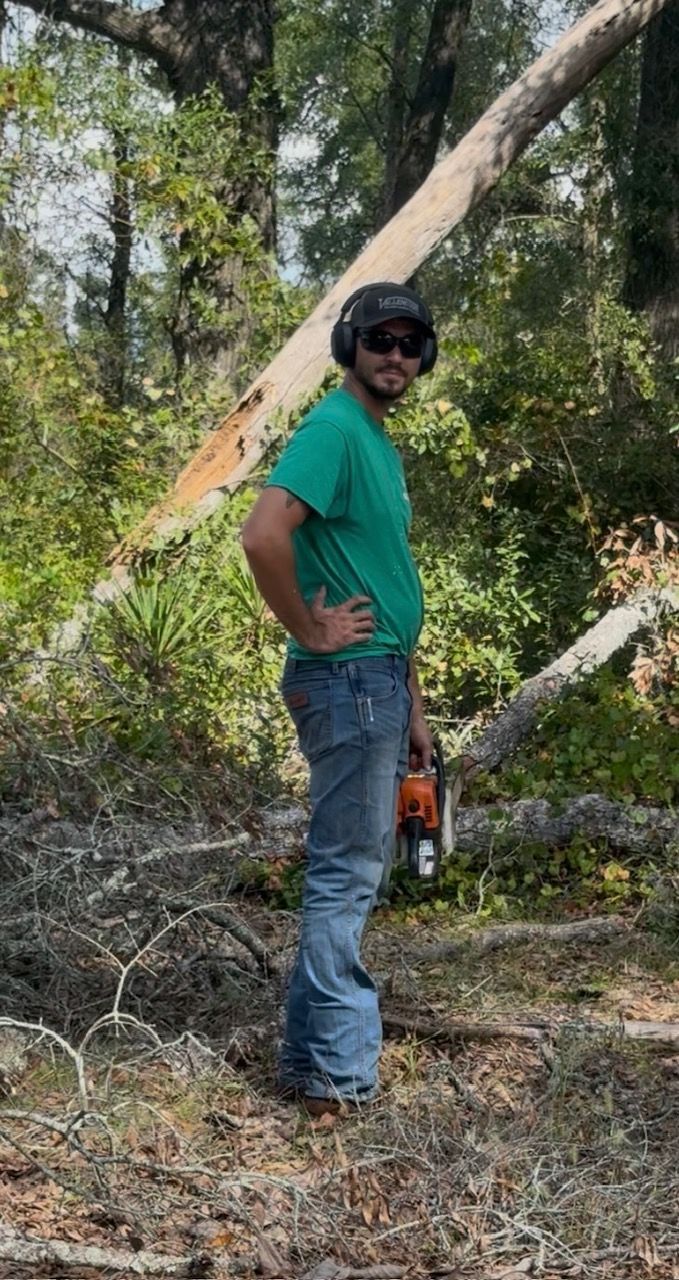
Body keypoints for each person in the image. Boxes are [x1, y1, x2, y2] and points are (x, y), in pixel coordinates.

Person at [241, 281, 436, 1116]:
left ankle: (306, 1069)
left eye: (407, 343)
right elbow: (261, 533)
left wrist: (415, 707)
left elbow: (384, 583)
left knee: (350, 874)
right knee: (345, 878)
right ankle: (334, 1083)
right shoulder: (332, 427)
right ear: (349, 345)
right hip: (349, 682)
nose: (393, 355)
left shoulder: (374, 442)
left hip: (379, 680)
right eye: (379, 340)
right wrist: (311, 630)